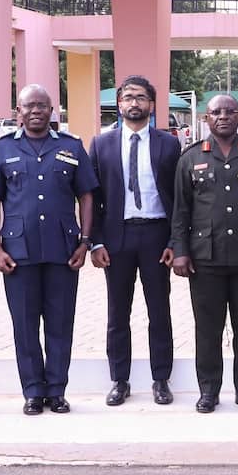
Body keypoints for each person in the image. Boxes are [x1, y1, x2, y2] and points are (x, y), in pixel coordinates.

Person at [0, 84, 98, 416]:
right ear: (18, 111)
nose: (35, 111)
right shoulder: (1, 149)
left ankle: (56, 390)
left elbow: (87, 194)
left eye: (42, 105)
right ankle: (32, 391)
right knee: (25, 324)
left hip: (63, 249)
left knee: (60, 323)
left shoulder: (72, 147)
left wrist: (85, 242)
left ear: (52, 110)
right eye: (28, 106)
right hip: (18, 251)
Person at [170, 94, 238, 414]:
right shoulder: (190, 158)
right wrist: (180, 251)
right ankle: (208, 391)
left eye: (229, 112)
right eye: (215, 112)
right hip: (205, 258)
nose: (223, 117)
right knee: (208, 329)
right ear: (206, 119)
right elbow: (181, 211)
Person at [89, 76, 181, 407]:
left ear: (151, 105)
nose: (134, 103)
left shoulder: (168, 144)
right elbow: (92, 198)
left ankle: (161, 379)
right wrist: (95, 242)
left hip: (157, 235)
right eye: (128, 97)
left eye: (141, 97)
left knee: (159, 311)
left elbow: (179, 198)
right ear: (119, 103)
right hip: (117, 237)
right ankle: (120, 380)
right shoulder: (101, 145)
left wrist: (175, 241)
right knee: (118, 312)